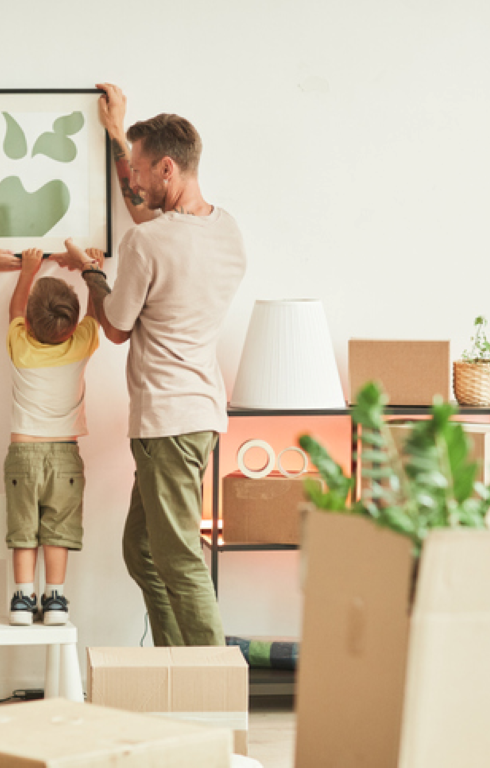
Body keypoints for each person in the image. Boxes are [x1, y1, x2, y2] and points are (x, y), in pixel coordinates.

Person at [50, 83, 247, 646]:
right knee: (142, 550)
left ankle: (213, 694)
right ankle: (173, 666)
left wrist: (90, 273)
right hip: (199, 415)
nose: (131, 180)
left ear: (166, 168)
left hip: (166, 422)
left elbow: (113, 327)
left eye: (137, 169)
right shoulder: (227, 230)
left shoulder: (146, 246)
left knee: (180, 559)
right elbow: (149, 223)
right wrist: (117, 134)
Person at [5, 247, 100, 626]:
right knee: (57, 529)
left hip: (23, 453)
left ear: (28, 324)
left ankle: (23, 600)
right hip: (65, 455)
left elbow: (14, 309)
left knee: (23, 528)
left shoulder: (20, 345)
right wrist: (94, 272)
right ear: (72, 327)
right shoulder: (80, 344)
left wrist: (27, 271)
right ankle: (56, 600)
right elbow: (95, 315)